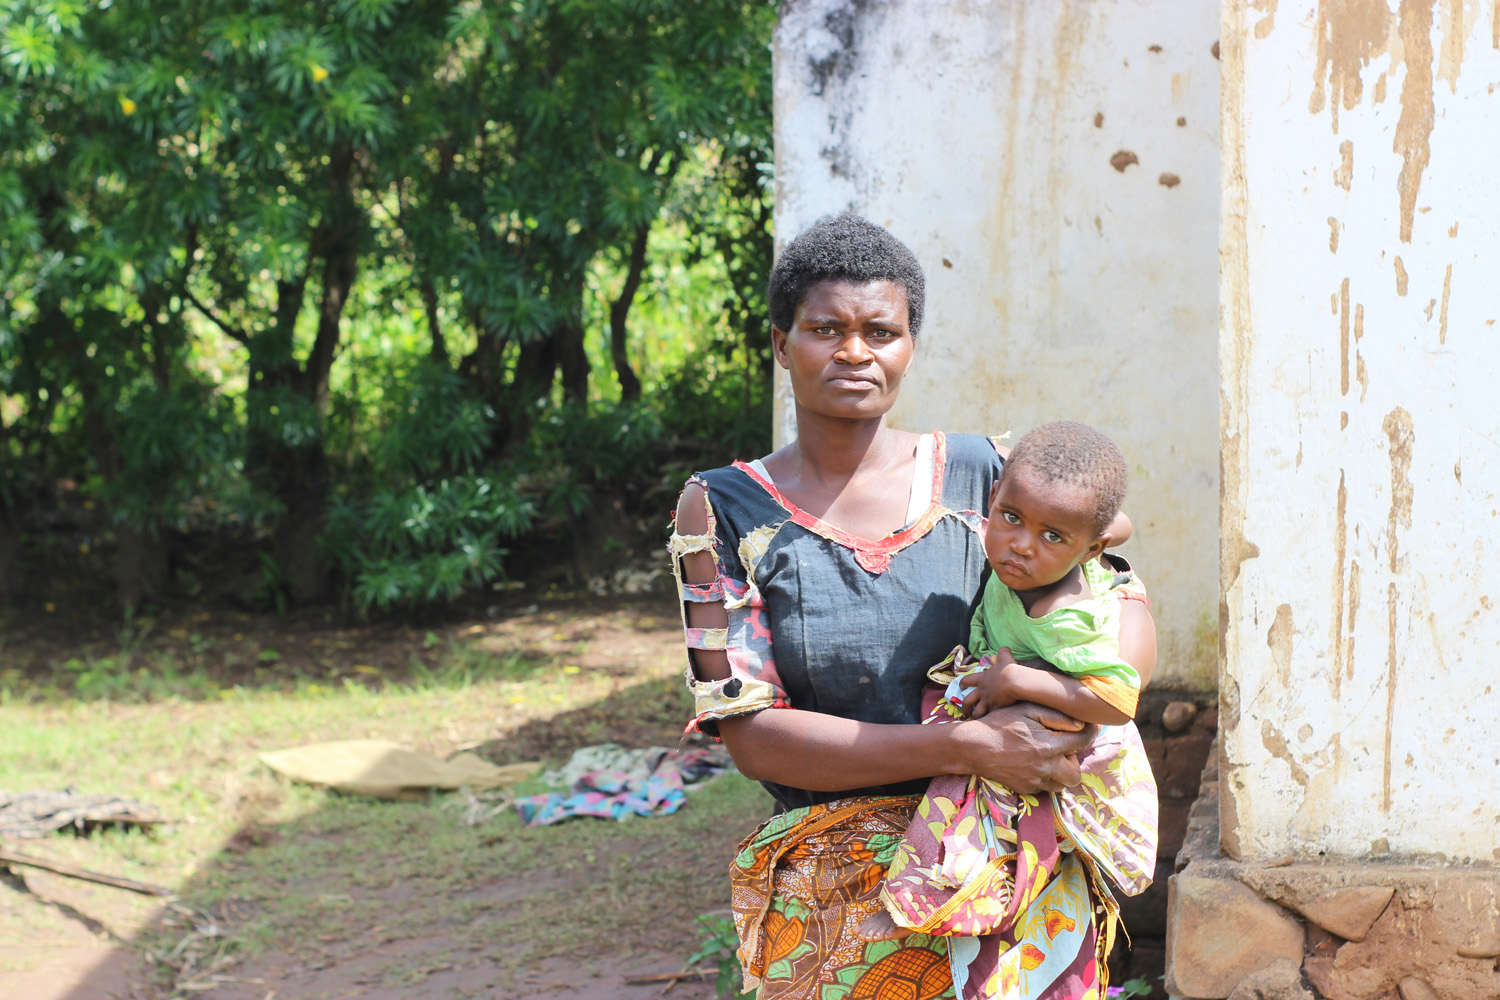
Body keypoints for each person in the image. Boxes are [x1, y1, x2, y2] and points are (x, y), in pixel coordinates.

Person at [668, 214, 1156, 1000]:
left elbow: (1113, 580)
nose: (855, 352)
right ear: (779, 344)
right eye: (826, 329)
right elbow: (753, 736)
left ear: (909, 347)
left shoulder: (981, 475)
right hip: (839, 906)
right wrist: (967, 747)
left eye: (880, 331)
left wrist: (1083, 698)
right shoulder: (721, 511)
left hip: (1015, 880)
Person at [859, 421, 1159, 1000]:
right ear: (992, 503)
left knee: (962, 796)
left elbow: (1118, 702)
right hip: (1021, 698)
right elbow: (1109, 522)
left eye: (1053, 536)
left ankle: (924, 903)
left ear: (1090, 550)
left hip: (1069, 732)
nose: (1021, 544)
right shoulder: (1028, 555)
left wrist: (1016, 678)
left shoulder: (1066, 612)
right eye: (1012, 518)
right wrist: (1067, 529)